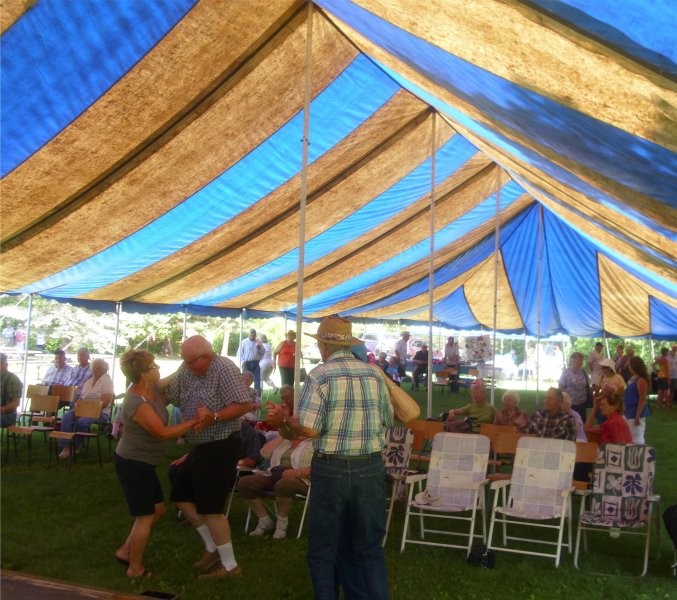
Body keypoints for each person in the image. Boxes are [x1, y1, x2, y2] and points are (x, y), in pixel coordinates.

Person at [267, 316, 396, 599]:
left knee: (323, 549)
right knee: (368, 549)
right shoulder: (374, 374)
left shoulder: (319, 375)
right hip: (370, 466)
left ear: (323, 344)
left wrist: (287, 422)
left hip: (331, 467)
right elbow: (389, 418)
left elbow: (311, 429)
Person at [113, 349, 209, 579]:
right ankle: (135, 569)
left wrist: (190, 360)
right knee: (145, 516)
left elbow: (172, 377)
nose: (158, 369)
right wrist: (195, 421)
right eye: (154, 366)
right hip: (132, 463)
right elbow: (163, 432)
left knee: (156, 510)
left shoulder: (150, 389)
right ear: (145, 374)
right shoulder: (138, 401)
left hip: (143, 462)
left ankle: (126, 551)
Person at [166, 335, 253, 580]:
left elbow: (243, 404)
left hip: (222, 444)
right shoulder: (187, 369)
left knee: (212, 507)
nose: (187, 366)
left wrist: (213, 417)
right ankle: (212, 547)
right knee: (181, 494)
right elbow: (170, 394)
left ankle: (230, 566)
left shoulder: (223, 368)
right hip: (202, 445)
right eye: (184, 361)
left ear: (207, 356)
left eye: (191, 361)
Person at [238, 431, 314, 540]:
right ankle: (264, 520)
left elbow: (320, 466)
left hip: (303, 479)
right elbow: (264, 452)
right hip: (275, 475)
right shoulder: (285, 440)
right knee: (245, 483)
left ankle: (281, 524)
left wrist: (298, 472)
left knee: (284, 484)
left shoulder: (314, 442)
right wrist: (282, 436)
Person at [58, 358, 115, 459]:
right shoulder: (88, 382)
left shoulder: (107, 382)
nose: (94, 370)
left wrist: (87, 411)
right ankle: (66, 446)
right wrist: (78, 409)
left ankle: (75, 447)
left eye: (98, 368)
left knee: (82, 422)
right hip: (84, 409)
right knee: (66, 417)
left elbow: (105, 403)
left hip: (100, 412)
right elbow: (81, 399)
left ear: (104, 369)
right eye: (93, 368)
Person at [624, 356, 650, 444]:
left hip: (636, 412)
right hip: (629, 411)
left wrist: (637, 415)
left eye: (630, 365)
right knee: (629, 435)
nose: (628, 367)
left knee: (637, 437)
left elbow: (642, 399)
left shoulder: (641, 380)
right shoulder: (633, 378)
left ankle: (640, 454)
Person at [559, 351, 588, 421]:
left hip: (582, 403)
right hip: (570, 404)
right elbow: (560, 387)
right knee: (571, 422)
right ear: (573, 360)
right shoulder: (566, 372)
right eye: (579, 360)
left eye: (582, 360)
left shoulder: (583, 371)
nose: (581, 362)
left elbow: (586, 385)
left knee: (581, 421)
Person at [0, 353, 22, 428]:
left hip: (7, 415)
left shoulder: (12, 379)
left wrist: (3, 408)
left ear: (6, 365)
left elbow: (16, 402)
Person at [669, 343, 677, 409]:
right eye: (674, 347)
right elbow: (657, 358)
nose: (675, 348)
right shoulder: (667, 354)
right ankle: (667, 403)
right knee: (666, 390)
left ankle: (670, 403)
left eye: (676, 347)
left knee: (673, 390)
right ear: (671, 348)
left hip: (675, 376)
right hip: (667, 375)